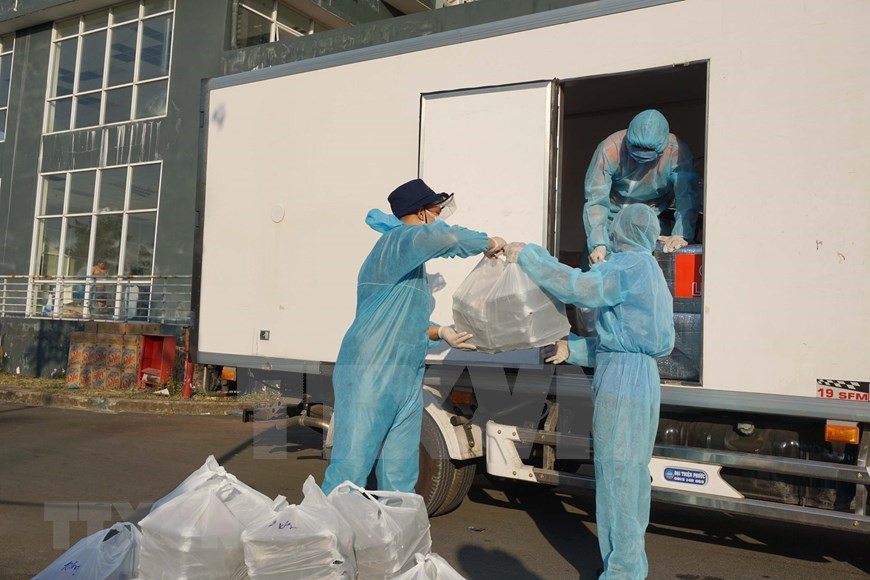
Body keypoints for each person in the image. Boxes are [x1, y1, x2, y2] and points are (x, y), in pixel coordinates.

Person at [505, 204, 674, 579]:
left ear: (622, 230)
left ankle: (622, 572)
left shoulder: (627, 265)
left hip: (622, 382)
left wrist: (529, 256)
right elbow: (623, 340)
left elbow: (578, 288)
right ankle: (628, 566)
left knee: (617, 479)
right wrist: (573, 349)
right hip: (641, 376)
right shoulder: (650, 270)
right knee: (630, 476)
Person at [321, 179, 505, 495]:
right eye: (436, 210)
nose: (439, 217)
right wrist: (488, 242)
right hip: (369, 374)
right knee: (349, 471)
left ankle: (397, 538)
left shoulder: (409, 265)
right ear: (420, 213)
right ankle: (322, 536)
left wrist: (440, 332)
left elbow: (402, 323)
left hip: (403, 376)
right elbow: (446, 237)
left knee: (400, 473)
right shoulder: (397, 242)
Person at [584, 109, 700, 264]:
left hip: (650, 223)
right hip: (610, 222)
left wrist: (680, 234)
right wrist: (598, 243)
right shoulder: (611, 148)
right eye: (636, 149)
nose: (641, 157)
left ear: (664, 145)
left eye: (649, 152)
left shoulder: (676, 152)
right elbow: (595, 199)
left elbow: (687, 196)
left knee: (648, 271)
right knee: (600, 272)